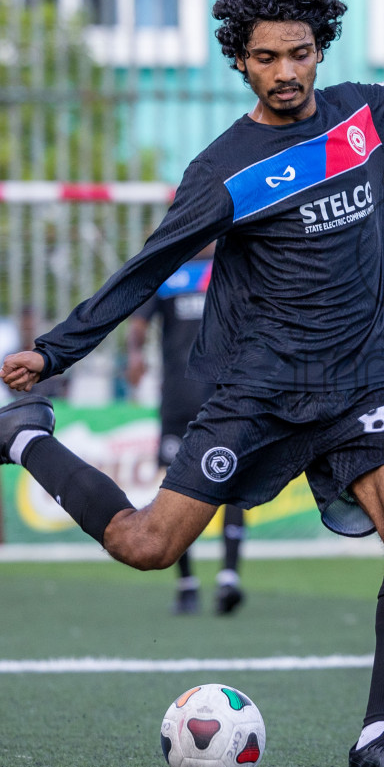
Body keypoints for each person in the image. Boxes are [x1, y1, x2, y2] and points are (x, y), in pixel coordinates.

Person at [0, 0, 384, 767]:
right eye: (264, 57)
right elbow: (145, 268)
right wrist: (57, 350)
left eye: (297, 52)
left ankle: (378, 737)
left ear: (320, 45)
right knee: (148, 544)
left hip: (360, 375)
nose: (284, 72)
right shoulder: (224, 170)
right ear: (239, 60)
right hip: (259, 387)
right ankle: (24, 440)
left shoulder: (362, 121)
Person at [126, 248, 247, 616]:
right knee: (175, 487)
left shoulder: (232, 266)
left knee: (232, 484)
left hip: (224, 396)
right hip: (177, 400)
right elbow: (138, 323)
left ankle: (229, 577)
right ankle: (187, 582)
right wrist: (135, 355)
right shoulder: (169, 271)